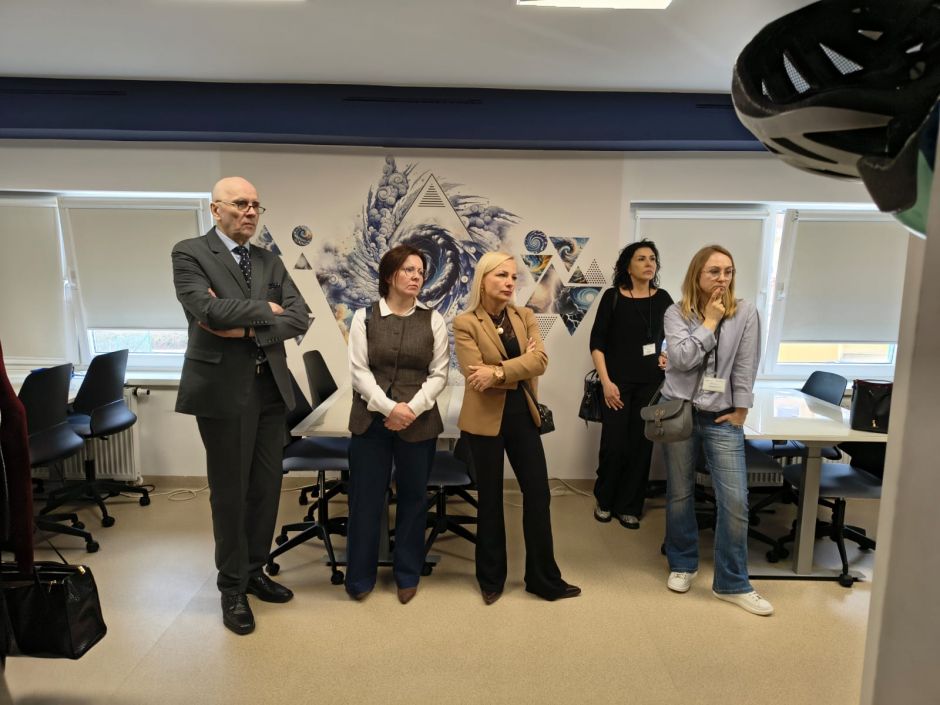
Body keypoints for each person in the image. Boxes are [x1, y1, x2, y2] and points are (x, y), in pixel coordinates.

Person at [172, 176, 310, 635]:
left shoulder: (269, 259)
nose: (250, 212)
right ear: (216, 209)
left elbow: (299, 316)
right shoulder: (190, 253)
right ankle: (231, 587)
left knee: (266, 488)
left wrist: (245, 326)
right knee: (231, 491)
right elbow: (207, 311)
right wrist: (267, 310)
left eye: (255, 205)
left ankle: (253, 571)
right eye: (240, 204)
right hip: (223, 391)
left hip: (270, 389)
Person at [454, 252, 580, 605]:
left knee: (538, 494)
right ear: (483, 280)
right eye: (501, 276)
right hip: (483, 422)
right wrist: (517, 365)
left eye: (513, 276)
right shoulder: (465, 322)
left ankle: (543, 579)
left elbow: (540, 361)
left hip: (522, 416)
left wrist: (496, 371)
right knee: (490, 499)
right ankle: (491, 578)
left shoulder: (525, 316)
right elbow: (473, 374)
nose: (510, 282)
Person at [660, 244, 772, 616]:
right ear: (697, 275)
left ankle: (732, 583)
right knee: (680, 493)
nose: (722, 278)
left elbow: (746, 363)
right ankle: (682, 563)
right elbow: (680, 359)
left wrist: (742, 407)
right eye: (714, 271)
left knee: (735, 500)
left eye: (728, 271)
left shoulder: (746, 313)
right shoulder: (676, 313)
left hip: (722, 416)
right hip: (678, 411)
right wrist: (709, 321)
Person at [345, 244, 448, 604]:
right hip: (369, 421)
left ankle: (407, 574)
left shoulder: (433, 320)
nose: (417, 276)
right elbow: (359, 372)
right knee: (365, 500)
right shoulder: (364, 317)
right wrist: (389, 408)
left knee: (414, 499)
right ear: (389, 276)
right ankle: (359, 577)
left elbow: (439, 374)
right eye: (408, 270)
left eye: (420, 271)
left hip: (419, 423)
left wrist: (411, 410)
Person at [588, 240, 672, 530]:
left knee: (640, 447)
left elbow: (676, 336)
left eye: (653, 259)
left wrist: (667, 355)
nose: (649, 264)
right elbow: (597, 343)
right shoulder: (613, 297)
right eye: (641, 259)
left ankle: (629, 506)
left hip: (651, 385)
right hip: (616, 384)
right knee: (614, 445)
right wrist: (606, 383)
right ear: (628, 266)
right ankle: (605, 500)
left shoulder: (663, 299)